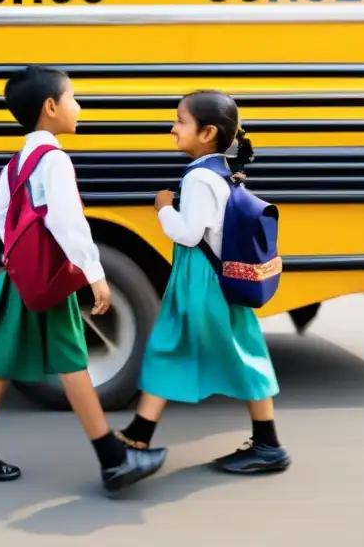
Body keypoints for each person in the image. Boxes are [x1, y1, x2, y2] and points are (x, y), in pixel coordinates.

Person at [0, 66, 167, 497]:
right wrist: (94, 274)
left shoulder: (17, 162)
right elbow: (69, 221)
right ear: (51, 108)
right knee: (73, 363)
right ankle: (113, 460)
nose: (79, 106)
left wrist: (20, 253)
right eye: (73, 98)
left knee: (0, 359)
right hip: (52, 277)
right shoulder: (54, 160)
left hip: (20, 275)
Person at [118, 90, 289, 474]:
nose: (173, 127)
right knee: (242, 354)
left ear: (207, 132)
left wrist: (163, 209)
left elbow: (191, 234)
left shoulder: (198, 178)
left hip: (201, 281)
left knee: (170, 347)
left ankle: (137, 436)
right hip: (219, 279)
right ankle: (267, 442)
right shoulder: (219, 171)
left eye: (180, 120)